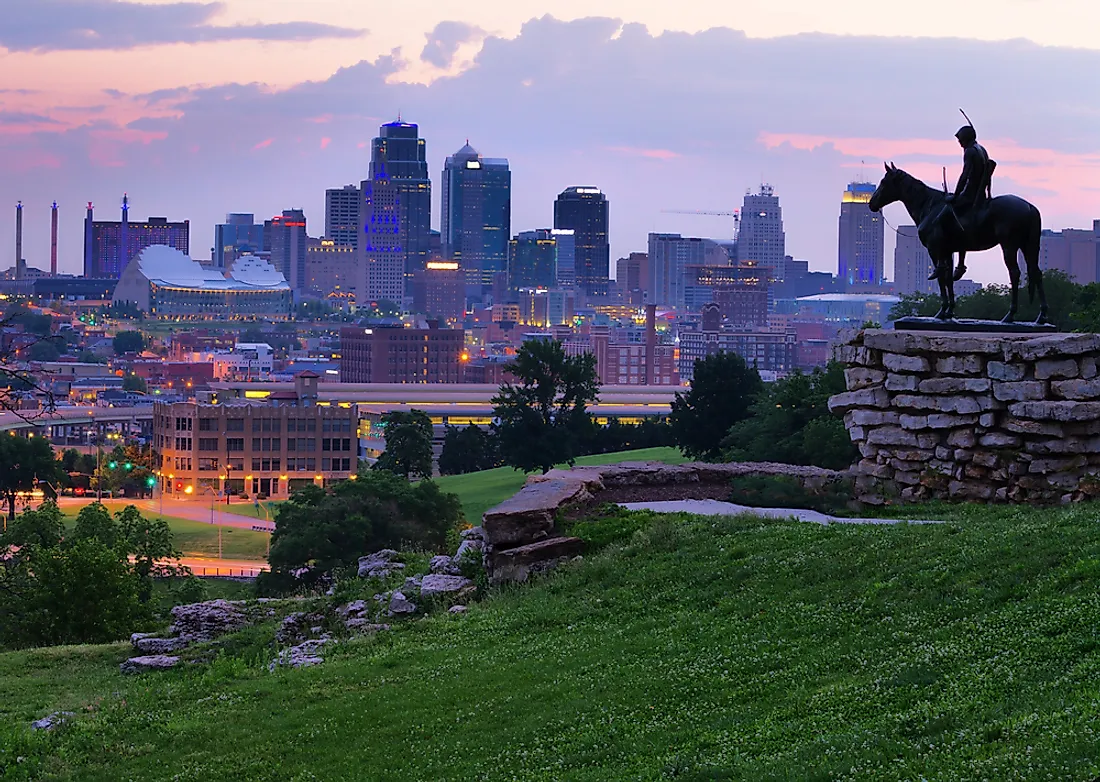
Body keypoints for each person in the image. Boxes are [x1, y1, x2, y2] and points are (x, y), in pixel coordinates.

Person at [928, 123, 996, 280]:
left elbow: (965, 175)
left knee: (941, 219)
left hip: (969, 195)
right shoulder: (981, 149)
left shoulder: (970, 152)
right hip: (978, 194)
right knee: (958, 222)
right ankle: (959, 264)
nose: (959, 143)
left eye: (960, 139)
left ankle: (942, 263)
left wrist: (955, 195)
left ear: (966, 138)